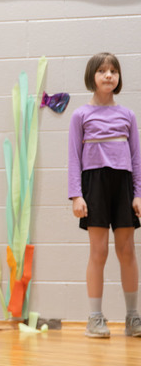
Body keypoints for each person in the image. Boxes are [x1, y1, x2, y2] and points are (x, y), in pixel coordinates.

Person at [68, 52, 141, 339]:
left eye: (113, 71)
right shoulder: (80, 115)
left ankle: (133, 317)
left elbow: (136, 158)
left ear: (119, 77)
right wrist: (76, 195)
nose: (108, 75)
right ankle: (95, 318)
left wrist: (138, 194)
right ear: (92, 77)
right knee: (99, 252)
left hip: (122, 185)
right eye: (102, 71)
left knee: (127, 251)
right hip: (94, 185)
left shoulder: (128, 115)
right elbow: (74, 157)